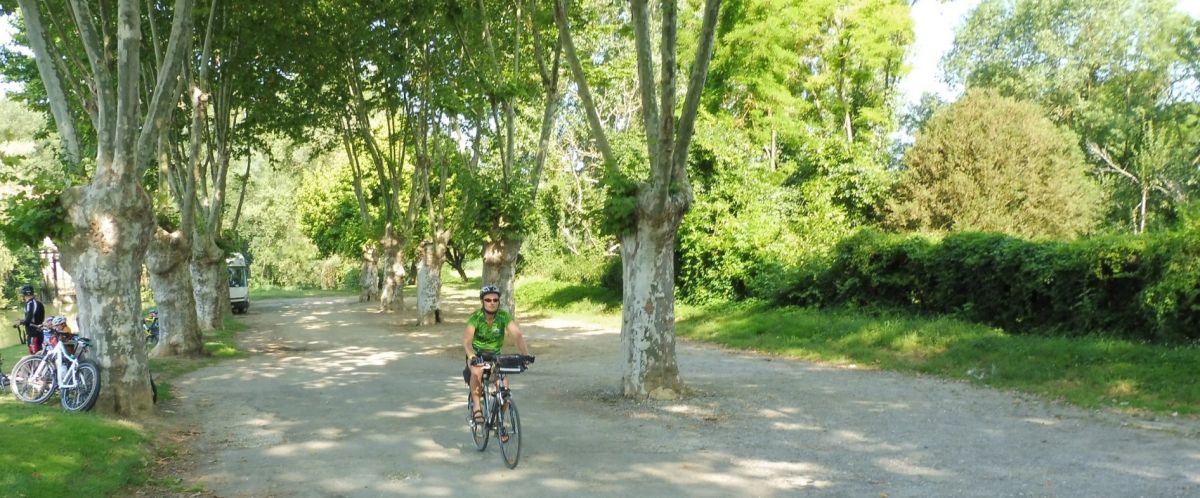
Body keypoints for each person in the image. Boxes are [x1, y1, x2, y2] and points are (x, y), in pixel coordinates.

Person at [463, 285, 532, 436]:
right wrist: (472, 356)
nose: (492, 303)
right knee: (477, 372)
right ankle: (477, 408)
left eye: (495, 300)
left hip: (495, 356)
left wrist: (526, 354)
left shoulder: (503, 316)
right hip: (477, 354)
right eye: (488, 300)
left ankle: (498, 422)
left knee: (505, 389)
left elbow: (517, 335)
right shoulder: (476, 317)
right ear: (482, 302)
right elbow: (467, 342)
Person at [12, 285, 45, 355]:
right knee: (40, 354)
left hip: (33, 334)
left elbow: (28, 321)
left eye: (22, 294)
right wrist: (22, 320)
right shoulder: (39, 303)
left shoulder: (30, 304)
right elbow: (36, 319)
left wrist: (20, 322)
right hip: (40, 332)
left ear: (25, 294)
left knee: (34, 356)